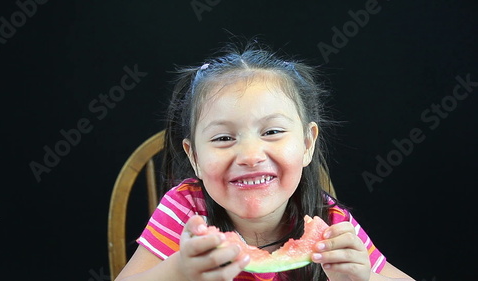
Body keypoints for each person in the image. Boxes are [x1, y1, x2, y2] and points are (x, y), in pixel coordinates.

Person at [115, 41, 414, 281]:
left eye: (271, 132)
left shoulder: (329, 220)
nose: (250, 156)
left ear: (307, 144)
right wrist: (178, 272)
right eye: (223, 138)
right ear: (194, 157)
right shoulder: (186, 210)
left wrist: (365, 278)